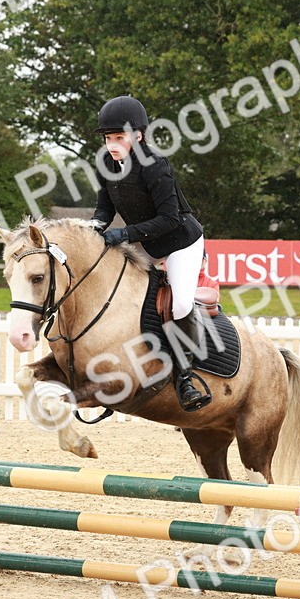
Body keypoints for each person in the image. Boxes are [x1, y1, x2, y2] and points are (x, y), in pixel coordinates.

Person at [91, 95, 211, 412]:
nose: (113, 144)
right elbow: (103, 210)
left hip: (181, 243)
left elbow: (170, 218)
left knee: (181, 302)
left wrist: (124, 234)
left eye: (120, 137)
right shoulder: (105, 165)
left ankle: (186, 376)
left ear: (139, 135)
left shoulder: (155, 167)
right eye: (108, 138)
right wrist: (92, 228)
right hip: (146, 244)